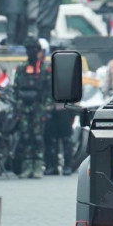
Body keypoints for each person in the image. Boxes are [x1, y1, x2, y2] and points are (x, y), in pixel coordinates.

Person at [14, 36, 51, 179]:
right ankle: (27, 165)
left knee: (38, 136)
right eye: (28, 49)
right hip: (24, 107)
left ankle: (38, 166)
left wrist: (47, 108)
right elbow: (16, 89)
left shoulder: (44, 69)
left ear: (38, 50)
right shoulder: (21, 68)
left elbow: (49, 89)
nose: (31, 52)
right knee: (25, 136)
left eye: (33, 49)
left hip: (38, 107)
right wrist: (17, 108)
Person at [42, 38, 74, 176]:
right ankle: (52, 166)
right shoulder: (46, 67)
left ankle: (68, 165)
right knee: (50, 138)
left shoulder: (70, 66)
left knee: (66, 138)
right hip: (50, 107)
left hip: (65, 107)